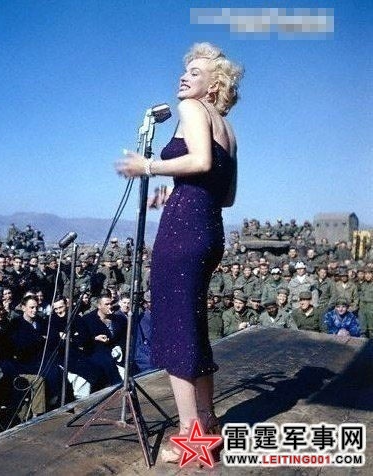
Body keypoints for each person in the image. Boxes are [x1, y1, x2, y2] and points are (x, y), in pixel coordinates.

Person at [116, 42, 243, 463]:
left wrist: (148, 167)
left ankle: (192, 441)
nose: (184, 77)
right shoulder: (228, 129)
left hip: (182, 233)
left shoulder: (192, 108)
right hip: (208, 230)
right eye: (185, 71)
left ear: (213, 86)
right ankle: (207, 426)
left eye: (195, 72)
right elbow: (226, 196)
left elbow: (200, 162)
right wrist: (176, 195)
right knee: (193, 327)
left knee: (176, 330)